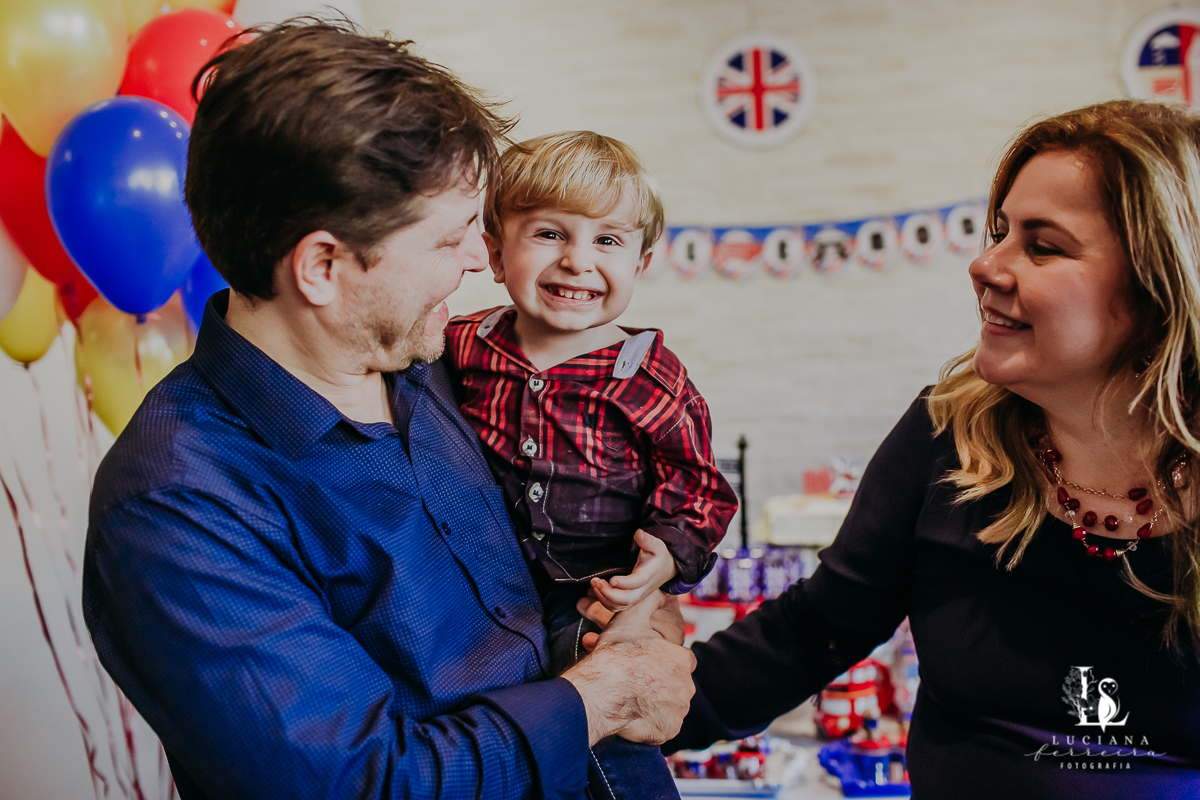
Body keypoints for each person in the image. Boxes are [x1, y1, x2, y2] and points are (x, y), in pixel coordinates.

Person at [81, 20, 696, 800]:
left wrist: (637, 602)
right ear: (324, 267)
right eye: (448, 240)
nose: (481, 257)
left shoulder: (437, 369)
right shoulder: (178, 503)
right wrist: (603, 696)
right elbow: (364, 783)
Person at [661, 99, 1200, 798]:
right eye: (999, 230)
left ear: (1163, 285)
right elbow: (813, 631)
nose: (984, 265)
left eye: (1042, 244)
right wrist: (619, 707)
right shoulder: (949, 431)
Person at [443, 131, 739, 798]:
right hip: (485, 592)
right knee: (515, 733)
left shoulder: (651, 379)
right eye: (549, 234)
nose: (577, 261)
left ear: (642, 261)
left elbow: (698, 490)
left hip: (594, 597)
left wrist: (663, 559)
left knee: (609, 734)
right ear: (495, 251)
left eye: (607, 241)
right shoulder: (462, 346)